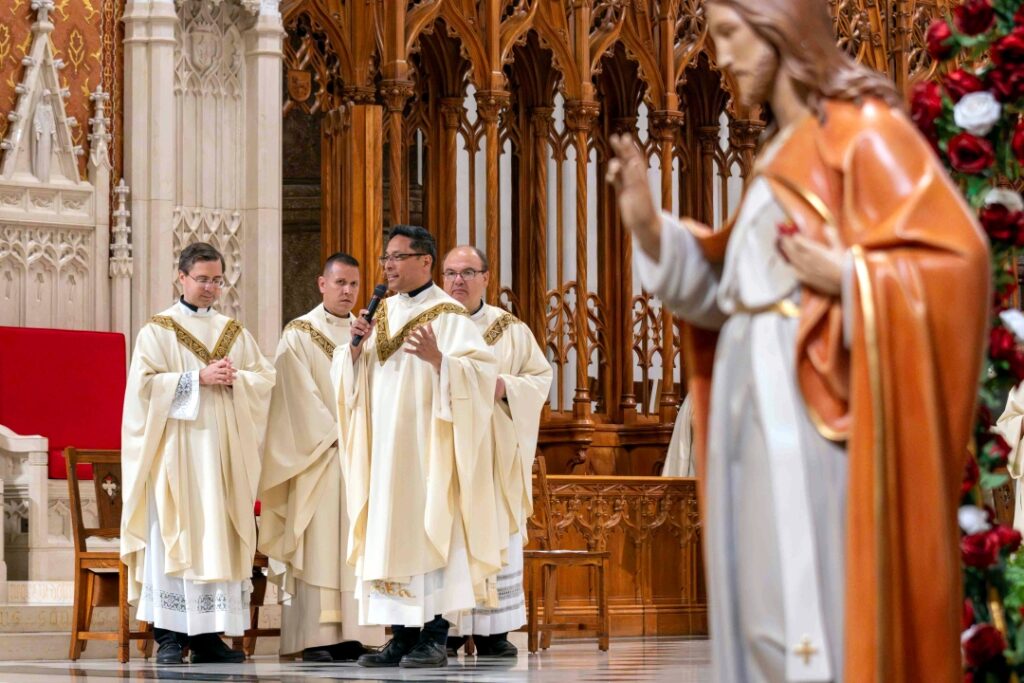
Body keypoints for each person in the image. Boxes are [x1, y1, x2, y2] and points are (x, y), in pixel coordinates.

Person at [605, 1, 989, 680]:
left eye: (729, 36)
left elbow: (958, 259)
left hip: (816, 404)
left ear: (778, 27)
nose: (719, 58)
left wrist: (852, 273)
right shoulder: (780, 150)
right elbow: (727, 291)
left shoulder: (863, 131)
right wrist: (650, 227)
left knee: (813, 596)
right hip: (753, 402)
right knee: (763, 598)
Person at [334, 225, 502, 668]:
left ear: (424, 262)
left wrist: (440, 362)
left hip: (430, 451)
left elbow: (481, 377)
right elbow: (353, 384)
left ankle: (434, 634)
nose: (387, 266)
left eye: (397, 257)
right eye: (385, 258)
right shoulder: (381, 314)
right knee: (388, 536)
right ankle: (401, 636)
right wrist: (353, 352)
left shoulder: (449, 316)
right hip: (385, 451)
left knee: (432, 533)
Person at [120, 242, 276, 665]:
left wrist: (237, 378)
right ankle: (170, 636)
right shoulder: (157, 331)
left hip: (224, 455)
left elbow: (266, 379)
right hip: (177, 454)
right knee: (175, 538)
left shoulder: (234, 332)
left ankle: (209, 637)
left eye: (217, 280)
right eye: (202, 279)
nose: (210, 287)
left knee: (218, 539)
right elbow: (142, 391)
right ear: (181, 278)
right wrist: (195, 378)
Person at [258, 253, 382, 661]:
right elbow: (295, 397)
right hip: (321, 459)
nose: (347, 291)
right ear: (321, 283)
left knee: (356, 547)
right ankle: (316, 637)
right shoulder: (299, 334)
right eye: (340, 283)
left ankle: (356, 633)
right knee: (319, 546)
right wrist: (338, 436)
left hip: (362, 459)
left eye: (353, 284)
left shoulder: (370, 333)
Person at [440, 246, 552, 658]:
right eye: (451, 272)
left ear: (487, 277)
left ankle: (493, 631)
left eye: (468, 272)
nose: (458, 281)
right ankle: (446, 628)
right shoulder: (431, 324)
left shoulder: (510, 330)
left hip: (493, 456)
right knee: (450, 538)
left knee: (495, 535)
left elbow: (540, 377)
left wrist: (507, 388)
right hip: (447, 452)